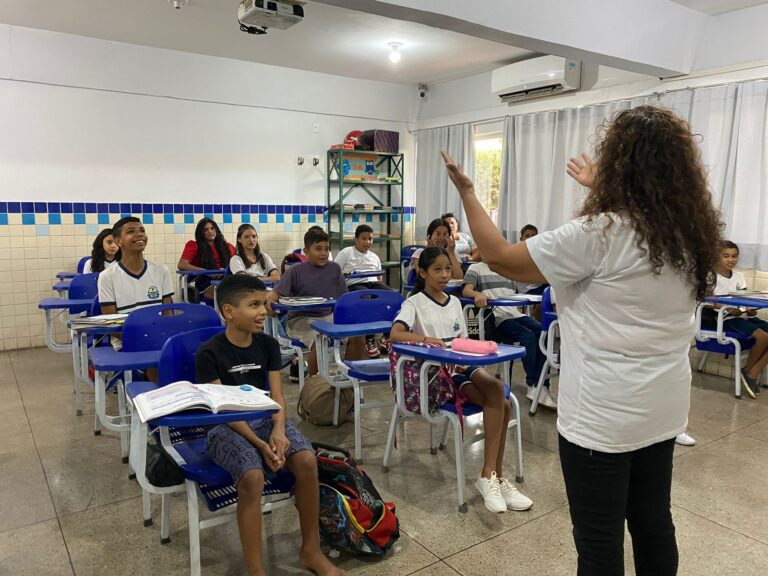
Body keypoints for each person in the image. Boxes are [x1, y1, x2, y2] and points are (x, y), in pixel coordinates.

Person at [442, 104, 722, 575]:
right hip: (663, 410)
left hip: (603, 418)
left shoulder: (599, 233)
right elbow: (634, 234)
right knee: (654, 523)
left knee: (599, 544)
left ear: (618, 165)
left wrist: (469, 193)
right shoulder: (688, 236)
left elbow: (499, 257)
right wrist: (607, 191)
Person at [195, 274, 345, 576]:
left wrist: (277, 430)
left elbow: (277, 396)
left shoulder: (267, 344)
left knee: (305, 459)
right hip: (224, 425)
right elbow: (223, 409)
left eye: (264, 303)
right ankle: (256, 570)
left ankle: (311, 550)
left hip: (265, 417)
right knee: (251, 476)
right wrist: (262, 446)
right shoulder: (209, 353)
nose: (264, 311)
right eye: (254, 305)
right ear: (228, 311)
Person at [390, 247, 533, 513]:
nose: (445, 275)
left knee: (503, 399)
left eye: (448, 269)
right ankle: (492, 476)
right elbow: (395, 335)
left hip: (460, 366)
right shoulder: (414, 303)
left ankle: (492, 476)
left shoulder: (454, 302)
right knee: (500, 402)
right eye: (437, 270)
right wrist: (424, 339)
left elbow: (463, 342)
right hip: (437, 374)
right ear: (422, 272)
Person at [266, 227, 363, 379]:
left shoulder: (334, 268)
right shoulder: (295, 271)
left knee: (357, 336)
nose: (324, 253)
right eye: (318, 249)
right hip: (301, 320)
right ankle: (315, 386)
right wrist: (270, 299)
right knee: (321, 337)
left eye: (326, 249)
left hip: (329, 317)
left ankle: (348, 381)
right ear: (306, 251)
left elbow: (344, 299)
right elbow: (275, 294)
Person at [462, 261, 555, 409]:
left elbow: (521, 291)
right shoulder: (476, 268)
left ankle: (543, 384)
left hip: (515, 314)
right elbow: (466, 290)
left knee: (543, 332)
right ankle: (533, 385)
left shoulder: (506, 269)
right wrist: (477, 294)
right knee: (528, 337)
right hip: (497, 318)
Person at [97, 216, 174, 350]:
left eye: (142, 230)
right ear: (118, 241)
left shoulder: (161, 270)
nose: (140, 234)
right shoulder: (107, 277)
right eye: (131, 231)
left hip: (159, 340)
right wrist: (144, 339)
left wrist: (161, 337)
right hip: (126, 342)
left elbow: (168, 315)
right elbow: (112, 325)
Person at [705, 240, 768, 398]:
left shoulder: (739, 276)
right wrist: (730, 309)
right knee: (762, 337)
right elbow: (707, 301)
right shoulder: (710, 276)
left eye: (734, 256)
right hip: (724, 319)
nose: (730, 260)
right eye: (725, 256)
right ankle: (749, 373)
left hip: (741, 316)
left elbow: (744, 298)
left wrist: (750, 310)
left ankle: (751, 371)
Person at [334, 224, 396, 358]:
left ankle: (386, 336)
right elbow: (334, 271)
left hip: (373, 284)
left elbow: (379, 277)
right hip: (355, 285)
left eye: (370, 239)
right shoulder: (346, 252)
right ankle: (369, 339)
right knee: (367, 300)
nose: (367, 242)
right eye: (363, 238)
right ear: (356, 239)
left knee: (393, 297)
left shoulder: (374, 256)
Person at [178, 218, 236, 300]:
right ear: (201, 233)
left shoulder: (228, 246)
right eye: (206, 229)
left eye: (212, 228)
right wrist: (207, 272)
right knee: (229, 295)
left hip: (227, 280)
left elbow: (237, 263)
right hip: (205, 283)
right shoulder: (194, 245)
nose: (210, 231)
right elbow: (182, 265)